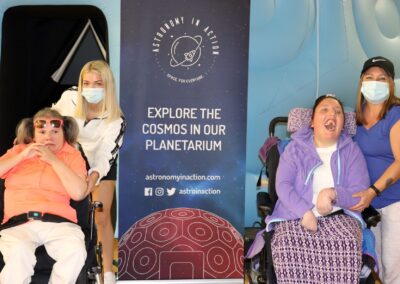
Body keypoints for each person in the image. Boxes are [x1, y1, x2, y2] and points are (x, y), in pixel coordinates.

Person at [265, 94, 370, 283]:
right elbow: (283, 184)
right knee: (285, 243)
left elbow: (360, 191)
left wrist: (334, 194)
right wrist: (304, 212)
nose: (332, 114)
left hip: (340, 217)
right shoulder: (294, 149)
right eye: (325, 110)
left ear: (342, 123)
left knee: (348, 243)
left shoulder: (352, 151)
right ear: (312, 121)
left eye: (338, 112)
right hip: (296, 216)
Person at [53, 60, 125, 284]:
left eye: (98, 83)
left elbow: (105, 156)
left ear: (108, 86)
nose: (91, 88)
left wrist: (93, 177)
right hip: (72, 156)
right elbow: (49, 122)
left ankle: (108, 274)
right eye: (87, 83)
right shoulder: (69, 98)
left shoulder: (116, 120)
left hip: (100, 161)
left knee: (101, 216)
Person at [0, 108, 88, 283]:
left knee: (75, 250)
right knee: (19, 252)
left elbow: (78, 193)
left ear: (64, 133)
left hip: (59, 222)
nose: (49, 137)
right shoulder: (18, 151)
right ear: (33, 134)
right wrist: (23, 156)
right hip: (19, 222)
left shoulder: (73, 156)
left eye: (55, 131)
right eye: (42, 132)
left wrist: (53, 160)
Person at [351, 56, 400, 284]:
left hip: (394, 202)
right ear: (361, 81)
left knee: (393, 268)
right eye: (369, 77)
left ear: (390, 83)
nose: (375, 82)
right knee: (375, 263)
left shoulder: (395, 114)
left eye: (381, 78)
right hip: (368, 206)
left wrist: (373, 190)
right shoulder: (356, 116)